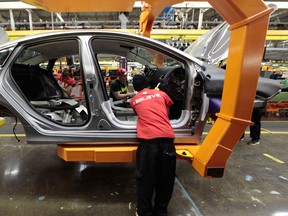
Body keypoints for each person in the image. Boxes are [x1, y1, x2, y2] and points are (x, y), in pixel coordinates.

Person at [130, 74, 176, 216]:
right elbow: (167, 114)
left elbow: (141, 114)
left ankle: (144, 212)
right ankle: (161, 212)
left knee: (145, 180)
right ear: (148, 84)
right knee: (166, 180)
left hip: (148, 143)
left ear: (135, 88)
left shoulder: (134, 100)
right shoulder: (162, 94)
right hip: (167, 141)